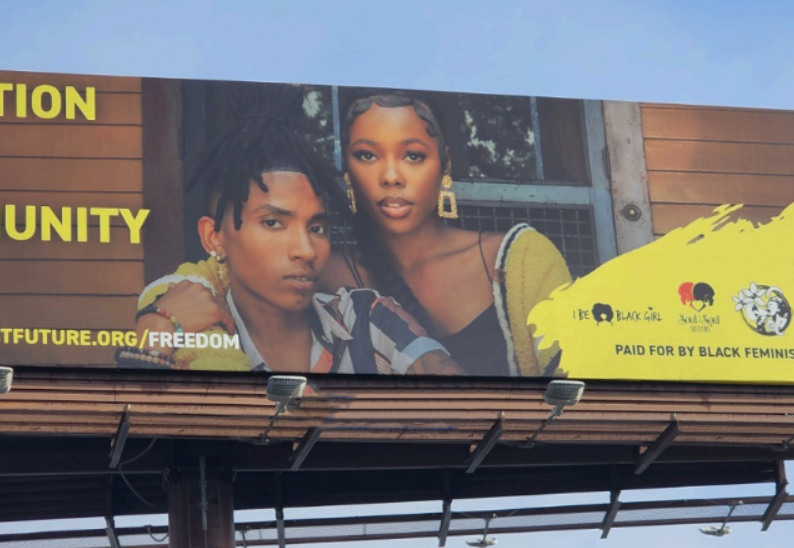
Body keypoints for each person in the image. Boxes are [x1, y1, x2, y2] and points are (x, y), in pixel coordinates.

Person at [117, 96, 462, 376]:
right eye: (273, 223)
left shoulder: (366, 319)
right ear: (213, 237)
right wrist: (158, 332)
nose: (305, 250)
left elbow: (467, 404)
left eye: (317, 228)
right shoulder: (189, 327)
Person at [321, 93, 572, 377]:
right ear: (347, 171)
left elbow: (572, 390)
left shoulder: (520, 260)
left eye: (413, 156)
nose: (390, 176)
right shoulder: (324, 275)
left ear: (445, 164)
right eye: (367, 155)